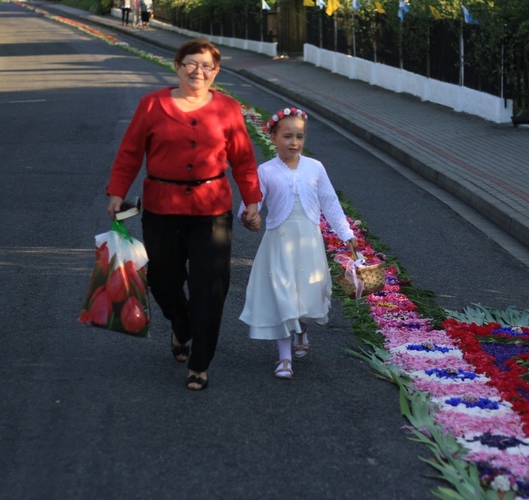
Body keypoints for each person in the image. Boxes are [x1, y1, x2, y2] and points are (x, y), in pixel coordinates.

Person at [106, 38, 262, 391]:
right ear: (177, 66)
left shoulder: (228, 108)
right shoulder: (152, 105)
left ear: (216, 72)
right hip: (162, 208)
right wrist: (117, 192)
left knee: (211, 286)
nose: (198, 71)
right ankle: (181, 325)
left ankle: (200, 363)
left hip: (212, 210)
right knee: (163, 280)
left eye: (207, 66)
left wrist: (251, 201)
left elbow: (243, 160)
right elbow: (130, 152)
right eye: (191, 63)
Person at [238, 107, 358, 380]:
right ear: (273, 138)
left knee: (304, 294)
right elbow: (250, 202)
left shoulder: (315, 168)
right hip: (278, 244)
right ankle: (284, 358)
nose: (293, 142)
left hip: (308, 245)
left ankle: (301, 329)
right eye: (287, 136)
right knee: (282, 296)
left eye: (299, 137)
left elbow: (330, 202)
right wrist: (248, 214)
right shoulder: (266, 170)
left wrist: (346, 233)